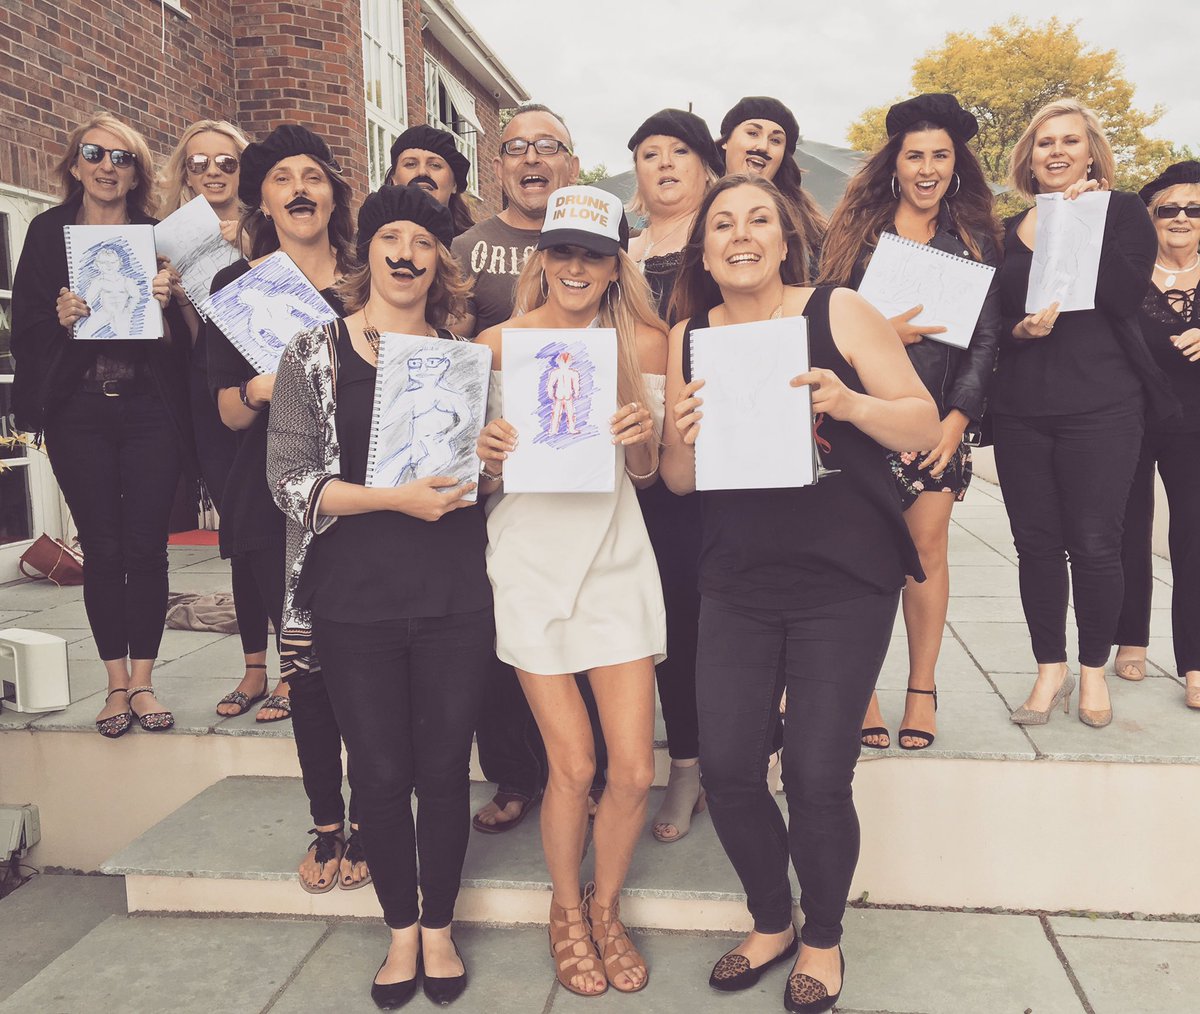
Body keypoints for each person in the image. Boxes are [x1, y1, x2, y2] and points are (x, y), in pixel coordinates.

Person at [662, 174, 940, 1013]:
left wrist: (850, 401)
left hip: (843, 576)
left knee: (819, 772)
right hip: (737, 575)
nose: (740, 236)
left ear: (786, 241)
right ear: (704, 251)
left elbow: (922, 422)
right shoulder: (688, 337)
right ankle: (770, 919)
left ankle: (823, 934)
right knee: (733, 767)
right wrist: (681, 439)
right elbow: (679, 484)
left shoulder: (839, 311)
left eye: (758, 222)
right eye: (722, 225)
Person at [268, 183, 488, 1009]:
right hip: (354, 598)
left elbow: (475, 482)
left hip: (454, 594)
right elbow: (288, 482)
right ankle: (400, 931)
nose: (405, 252)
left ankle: (440, 927)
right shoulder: (312, 352)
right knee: (384, 773)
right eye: (389, 237)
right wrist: (390, 498)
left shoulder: (463, 359)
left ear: (440, 261)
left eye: (422, 241)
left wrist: (491, 459)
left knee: (442, 769)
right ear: (366, 254)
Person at [475, 184, 667, 997]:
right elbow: (470, 479)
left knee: (629, 771)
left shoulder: (644, 345)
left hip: (616, 557)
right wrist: (484, 456)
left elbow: (653, 478)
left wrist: (644, 439)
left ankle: (606, 904)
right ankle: (564, 909)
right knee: (574, 763)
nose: (575, 265)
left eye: (593, 252)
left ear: (615, 261)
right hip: (529, 560)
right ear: (541, 256)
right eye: (562, 250)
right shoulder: (495, 344)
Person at [205, 124, 366, 892]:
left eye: (314, 176)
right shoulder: (236, 293)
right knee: (305, 671)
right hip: (272, 500)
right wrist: (268, 387)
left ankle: (368, 814)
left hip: (364, 497)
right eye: (282, 179)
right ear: (263, 200)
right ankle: (326, 824)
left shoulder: (368, 280)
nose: (300, 189)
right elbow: (227, 414)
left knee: (363, 665)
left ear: (333, 194)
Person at [820, 93, 1002, 750]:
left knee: (925, 556)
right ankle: (860, 686)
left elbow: (987, 341)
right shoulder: (854, 237)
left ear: (956, 165)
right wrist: (880, 333)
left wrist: (958, 421)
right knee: (862, 557)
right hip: (865, 423)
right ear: (894, 164)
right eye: (914, 155)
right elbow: (824, 322)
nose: (926, 168)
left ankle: (921, 688)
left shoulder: (977, 240)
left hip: (939, 428)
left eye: (940, 156)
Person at [994, 98, 1172, 729]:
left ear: (1092, 154)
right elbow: (994, 319)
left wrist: (1082, 222)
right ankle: (1050, 669)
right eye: (1045, 143)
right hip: (1021, 410)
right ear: (1030, 159)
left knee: (1097, 544)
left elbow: (1125, 297)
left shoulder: (1122, 213)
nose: (1058, 152)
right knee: (1036, 545)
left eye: (1071, 141)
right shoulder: (1008, 229)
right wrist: (1017, 331)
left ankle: (1093, 670)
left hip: (1103, 407)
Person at [11, 112, 189, 738]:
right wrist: (60, 318)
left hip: (149, 412)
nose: (108, 166)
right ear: (75, 162)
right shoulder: (47, 232)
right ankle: (114, 684)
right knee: (102, 546)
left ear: (138, 171)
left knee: (146, 546)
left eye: (123, 158)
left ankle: (144, 682)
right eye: (95, 154)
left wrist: (168, 310)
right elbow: (24, 329)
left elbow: (188, 347)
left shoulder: (156, 236)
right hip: (78, 411)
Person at [451, 104, 582, 835]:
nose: (533, 159)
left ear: (571, 161)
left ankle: (577, 770)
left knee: (580, 628)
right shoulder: (466, 247)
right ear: (498, 165)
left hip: (590, 473)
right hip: (501, 476)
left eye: (550, 147)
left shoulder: (598, 238)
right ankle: (514, 774)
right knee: (502, 630)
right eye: (517, 148)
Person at [625, 107, 722, 841]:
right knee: (667, 614)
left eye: (678, 152)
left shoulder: (726, 241)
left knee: (716, 612)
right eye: (649, 153)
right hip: (635, 457)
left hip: (717, 449)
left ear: (705, 165)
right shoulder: (617, 246)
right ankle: (686, 760)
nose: (663, 164)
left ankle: (728, 757)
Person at [159, 119, 276, 720]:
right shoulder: (170, 240)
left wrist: (252, 252)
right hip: (211, 395)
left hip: (273, 390)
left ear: (242, 170)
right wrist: (176, 299)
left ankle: (294, 666)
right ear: (185, 171)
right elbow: (192, 345)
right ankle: (254, 666)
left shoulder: (270, 227)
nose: (211, 172)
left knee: (284, 534)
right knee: (241, 537)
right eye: (198, 162)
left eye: (225, 162)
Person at [1114, 161, 1200, 710]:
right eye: (1167, 208)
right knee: (1128, 531)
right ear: (1150, 217)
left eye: (1194, 208)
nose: (1181, 217)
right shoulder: (1130, 270)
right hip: (1129, 417)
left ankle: (1194, 661)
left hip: (1195, 425)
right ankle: (1132, 638)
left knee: (1193, 538)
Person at [717, 96, 827, 262]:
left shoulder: (807, 228)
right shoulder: (691, 207)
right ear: (726, 141)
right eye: (753, 133)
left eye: (775, 140)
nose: (762, 146)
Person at [386, 123, 475, 236]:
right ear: (394, 179)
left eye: (435, 165)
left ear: (454, 184)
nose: (422, 172)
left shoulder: (476, 247)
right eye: (410, 164)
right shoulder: (370, 244)